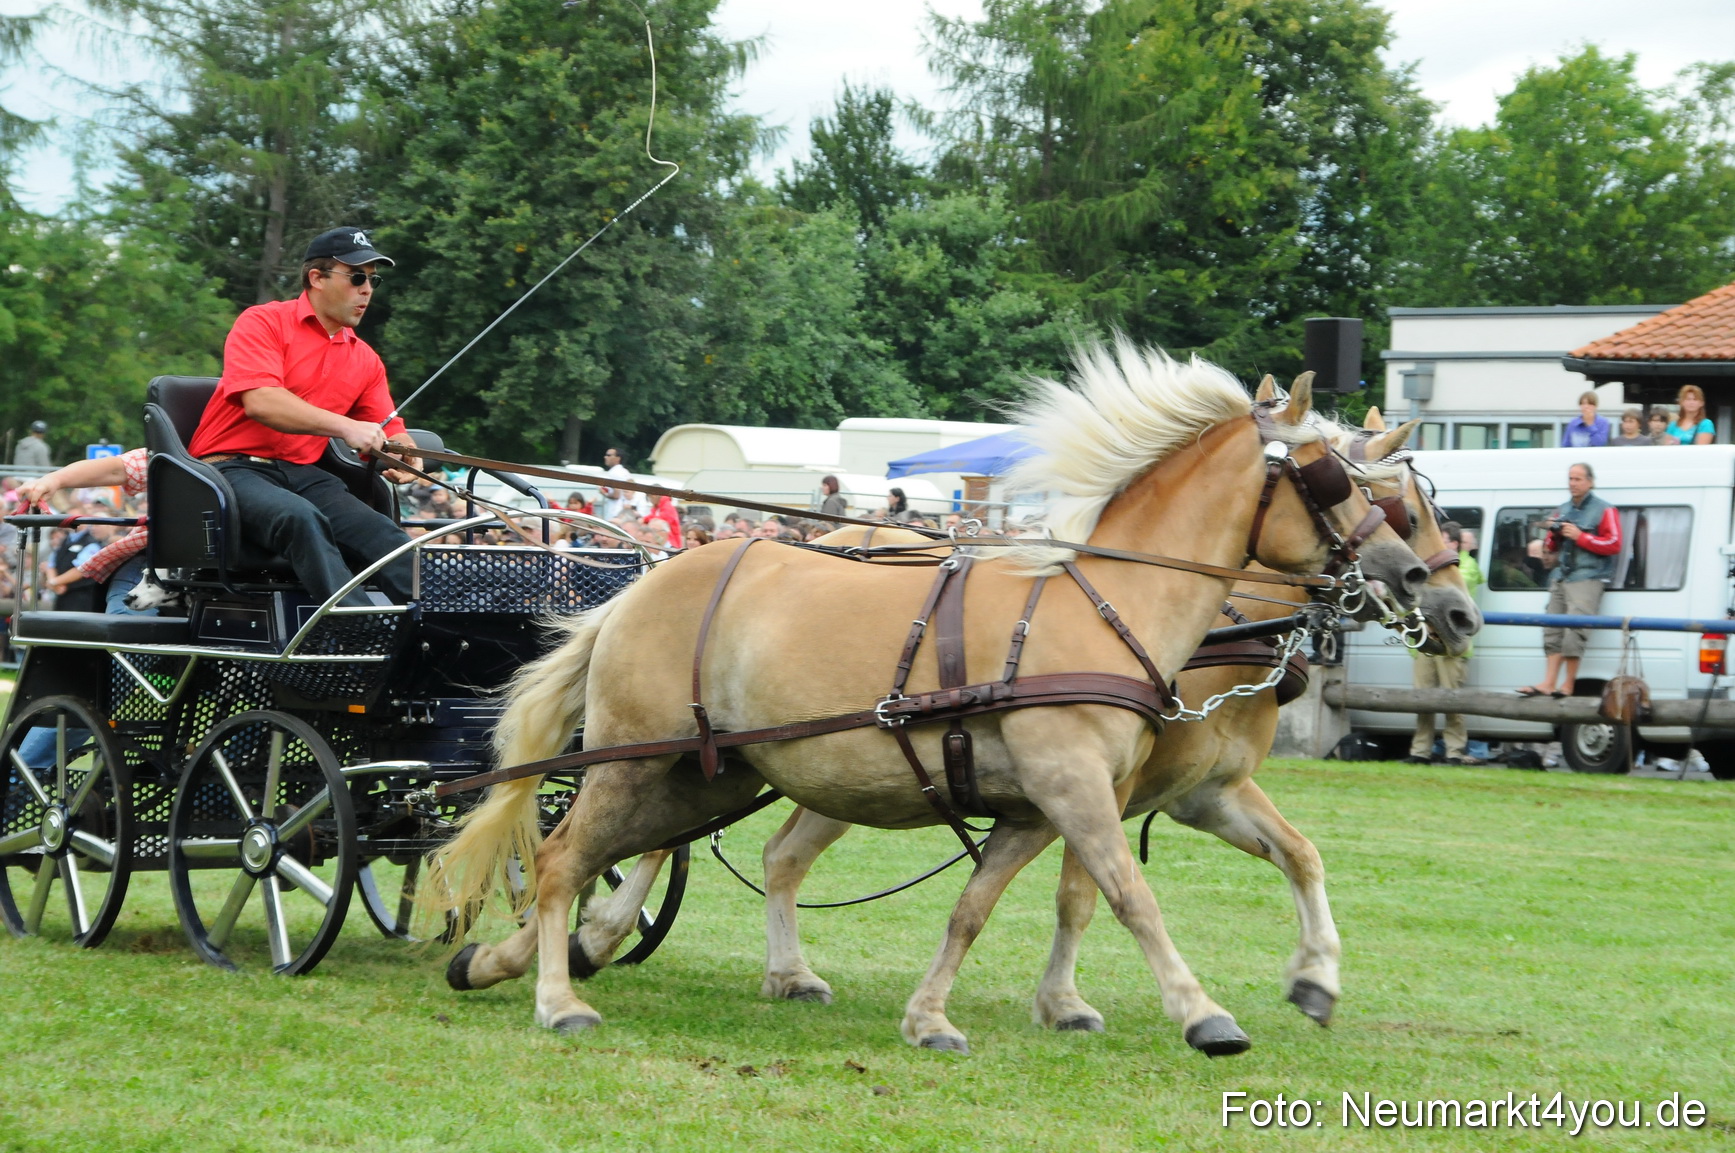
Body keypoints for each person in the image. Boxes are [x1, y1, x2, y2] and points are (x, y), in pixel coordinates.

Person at [186, 227, 419, 606]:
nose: (367, 290)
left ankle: (446, 628)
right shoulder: (262, 322)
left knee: (383, 533)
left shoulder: (365, 359)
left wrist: (403, 454)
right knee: (300, 518)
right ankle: (359, 627)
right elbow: (262, 401)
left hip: (302, 475)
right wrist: (345, 426)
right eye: (357, 277)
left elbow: (389, 428)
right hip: (229, 470)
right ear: (317, 278)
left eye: (373, 280)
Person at [1518, 463, 1621, 698]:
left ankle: (1568, 685)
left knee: (1575, 631)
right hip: (1561, 577)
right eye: (1570, 478)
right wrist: (1553, 535)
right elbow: (1551, 548)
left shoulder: (1605, 510)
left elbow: (1614, 544)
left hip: (1588, 577)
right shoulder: (1562, 509)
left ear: (1590, 482)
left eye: (1578, 479)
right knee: (1552, 629)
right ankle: (1549, 682)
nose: (1573, 483)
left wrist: (1581, 537)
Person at [15, 448, 155, 614]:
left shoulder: (92, 542)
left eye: (99, 521)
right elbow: (119, 468)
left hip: (81, 596)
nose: (95, 526)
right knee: (124, 623)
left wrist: (55, 581)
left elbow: (81, 568)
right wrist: (54, 479)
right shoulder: (68, 539)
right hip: (151, 564)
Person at [1407, 522, 1486, 766]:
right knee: (1423, 699)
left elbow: (1443, 589)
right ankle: (1420, 751)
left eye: (1439, 541)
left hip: (1452, 644)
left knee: (1452, 701)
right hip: (1425, 642)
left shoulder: (1467, 566)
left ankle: (1454, 751)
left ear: (1453, 544)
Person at [596, 447, 644, 521]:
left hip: (615, 511)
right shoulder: (624, 472)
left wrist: (604, 493)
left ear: (618, 458)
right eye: (606, 455)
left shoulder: (616, 473)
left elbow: (616, 495)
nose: (605, 457)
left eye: (609, 455)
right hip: (623, 512)